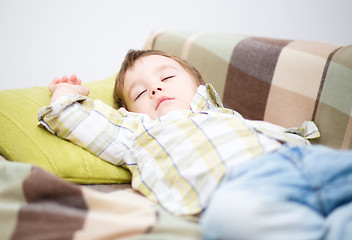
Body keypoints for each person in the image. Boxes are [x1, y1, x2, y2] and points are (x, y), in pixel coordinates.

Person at [38, 49, 352, 240]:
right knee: (228, 220)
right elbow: (75, 120)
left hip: (298, 160)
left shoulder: (221, 113)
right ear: (128, 111)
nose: (156, 88)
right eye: (139, 92)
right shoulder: (138, 132)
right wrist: (65, 91)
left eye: (167, 78)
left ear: (197, 85)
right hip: (243, 187)